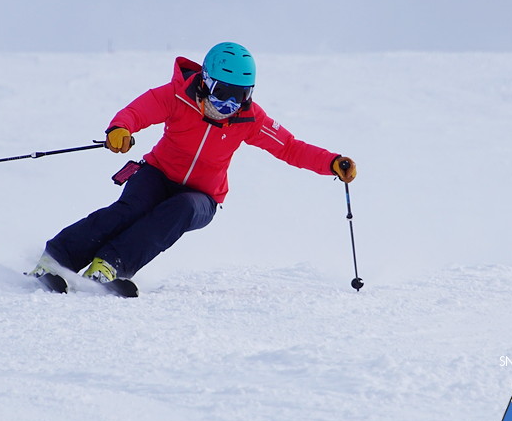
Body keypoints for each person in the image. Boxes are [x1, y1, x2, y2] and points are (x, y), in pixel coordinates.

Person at [30, 42, 357, 289]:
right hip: (157, 174)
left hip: (202, 196)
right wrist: (120, 129)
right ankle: (58, 258)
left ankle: (110, 265)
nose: (228, 105)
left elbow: (289, 147)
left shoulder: (249, 119)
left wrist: (331, 162)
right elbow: (138, 111)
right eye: (221, 92)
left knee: (178, 210)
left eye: (239, 96)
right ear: (204, 81)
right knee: (131, 209)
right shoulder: (178, 96)